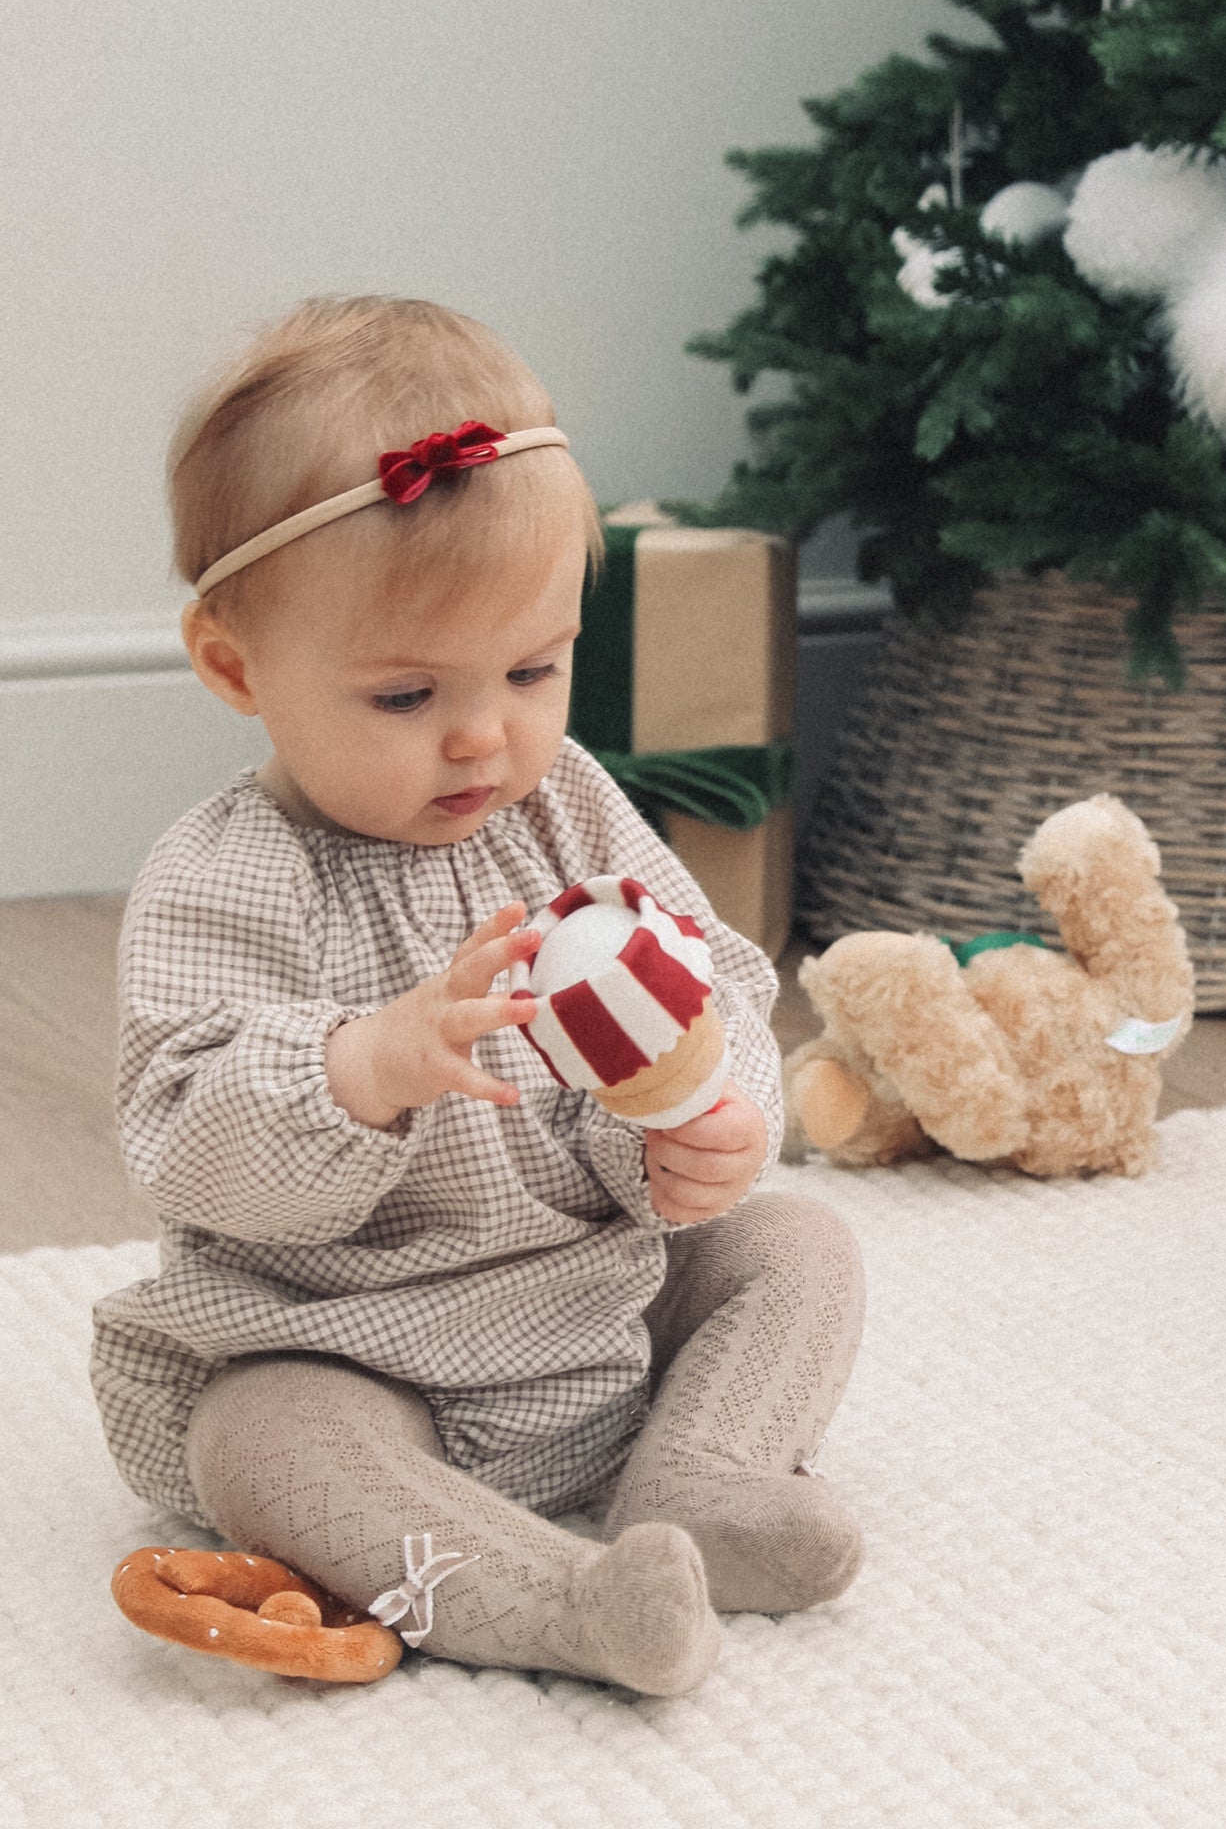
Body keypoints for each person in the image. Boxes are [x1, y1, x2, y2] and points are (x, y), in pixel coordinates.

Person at [91, 295, 865, 1696]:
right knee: (252, 1443)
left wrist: (707, 1118)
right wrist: (361, 1068)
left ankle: (702, 1476)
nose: (482, 733)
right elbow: (182, 1135)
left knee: (795, 1244)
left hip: (594, 1306)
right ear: (235, 666)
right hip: (348, 1346)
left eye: (532, 668)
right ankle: (568, 1605)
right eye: (402, 696)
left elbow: (711, 980)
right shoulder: (228, 876)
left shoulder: (569, 809)